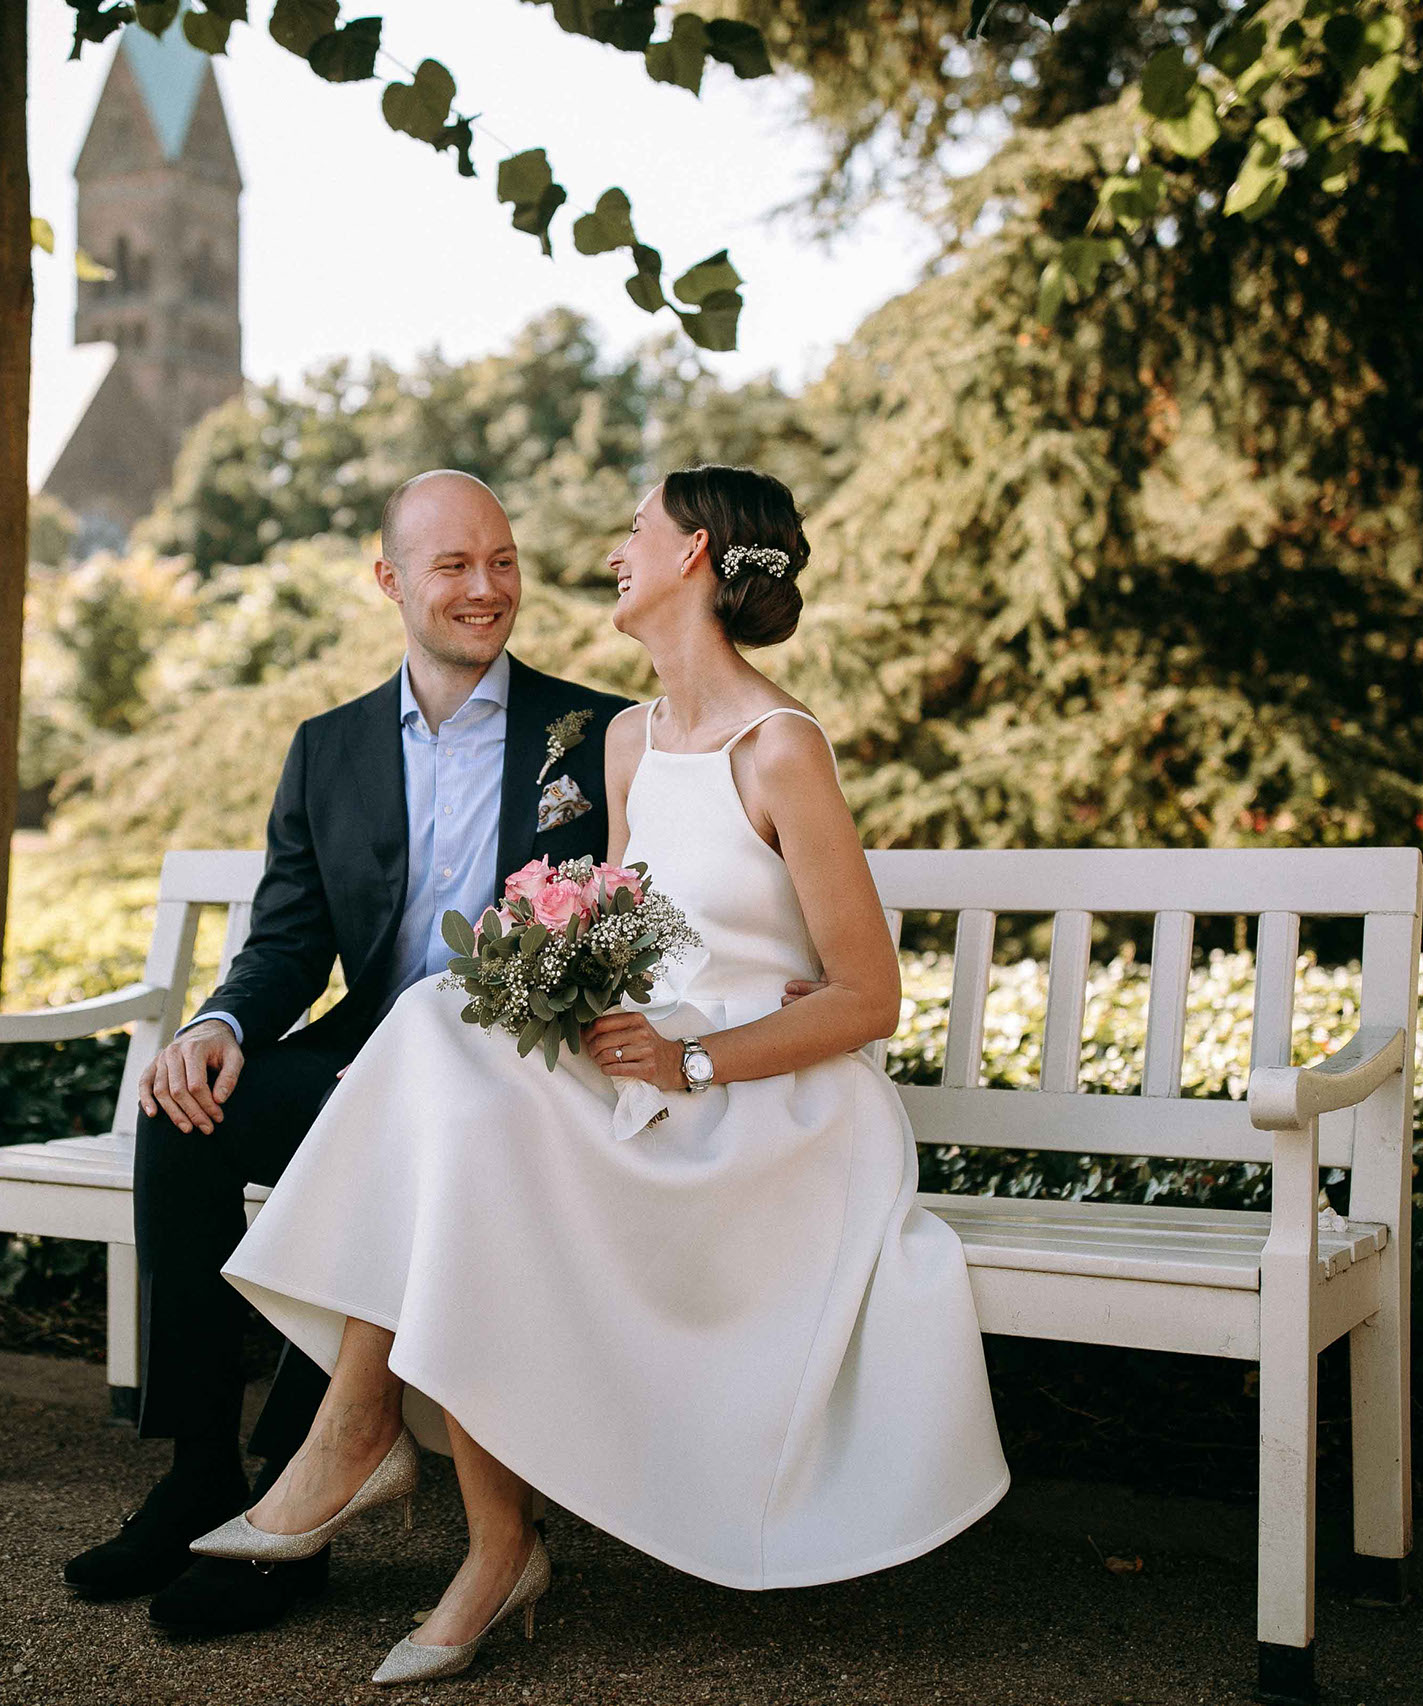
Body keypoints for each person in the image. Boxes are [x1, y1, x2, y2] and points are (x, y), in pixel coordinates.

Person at [210, 466, 1009, 1685]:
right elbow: (625, 937)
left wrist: (697, 1053)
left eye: (636, 527)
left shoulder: (781, 747)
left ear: (692, 555)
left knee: (464, 1103)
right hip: (651, 1069)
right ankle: (475, 1523)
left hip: (768, 1111)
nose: (612, 547)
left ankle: (385, 1456)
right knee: (450, 1053)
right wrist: (567, 994)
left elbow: (867, 997)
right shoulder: (627, 742)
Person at [60, 470, 634, 1637]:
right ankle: (198, 1470)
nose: (488, 588)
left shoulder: (597, 731)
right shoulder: (328, 749)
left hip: (515, 1083)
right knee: (182, 1115)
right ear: (389, 581)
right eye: (454, 566)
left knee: (393, 1147)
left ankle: (300, 1501)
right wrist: (217, 1025)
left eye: (503, 561)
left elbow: (631, 919)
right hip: (367, 1055)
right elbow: (285, 942)